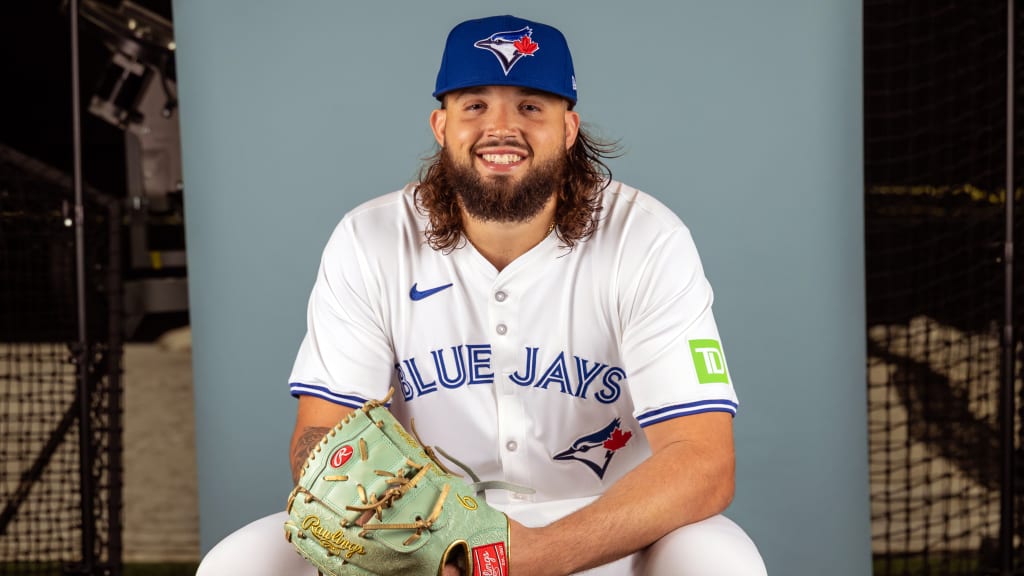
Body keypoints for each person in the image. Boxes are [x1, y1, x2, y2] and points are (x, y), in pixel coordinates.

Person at [197, 14, 766, 576]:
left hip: (607, 532)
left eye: (530, 106)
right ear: (441, 126)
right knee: (236, 564)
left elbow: (704, 459)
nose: (502, 127)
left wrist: (535, 556)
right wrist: (413, 546)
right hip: (420, 535)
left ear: (568, 128)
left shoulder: (644, 238)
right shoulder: (370, 239)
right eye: (474, 104)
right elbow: (322, 436)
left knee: (721, 561)